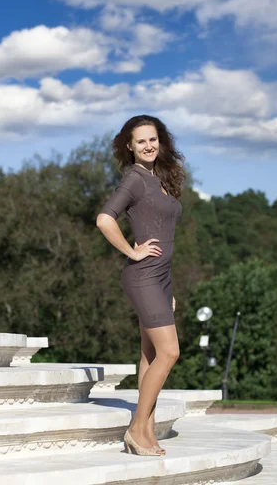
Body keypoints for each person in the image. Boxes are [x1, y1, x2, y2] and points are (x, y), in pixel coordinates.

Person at [96, 114, 185, 456]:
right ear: (130, 146)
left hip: (161, 278)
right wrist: (131, 251)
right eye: (141, 141)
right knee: (170, 352)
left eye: (153, 139)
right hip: (144, 275)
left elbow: (164, 235)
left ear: (159, 142)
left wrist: (170, 289)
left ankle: (146, 430)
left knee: (150, 355)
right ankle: (135, 428)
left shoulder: (157, 178)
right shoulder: (135, 179)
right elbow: (105, 220)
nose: (148, 146)